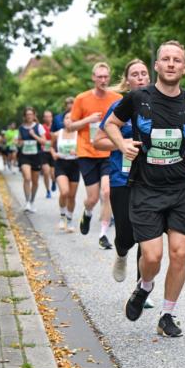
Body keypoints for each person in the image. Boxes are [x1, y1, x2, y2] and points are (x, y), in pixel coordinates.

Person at [104, 41, 185, 338]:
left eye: (176, 60)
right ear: (156, 66)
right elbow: (111, 125)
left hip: (181, 189)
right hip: (145, 187)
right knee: (152, 257)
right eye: (165, 59)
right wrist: (122, 143)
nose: (170, 63)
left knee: (179, 253)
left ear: (183, 67)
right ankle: (144, 286)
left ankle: (167, 314)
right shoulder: (138, 98)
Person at [94, 59, 155, 309]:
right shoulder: (118, 108)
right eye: (135, 74)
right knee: (127, 234)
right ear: (127, 80)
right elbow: (98, 141)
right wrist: (123, 143)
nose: (140, 78)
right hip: (121, 177)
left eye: (144, 74)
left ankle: (143, 287)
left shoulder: (157, 106)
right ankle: (121, 252)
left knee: (147, 235)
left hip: (150, 179)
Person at [71, 63, 121, 249]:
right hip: (87, 152)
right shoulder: (81, 99)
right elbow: (71, 126)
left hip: (109, 151)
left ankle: (103, 234)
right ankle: (88, 212)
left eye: (106, 77)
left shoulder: (117, 98)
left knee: (107, 192)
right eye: (99, 77)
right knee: (92, 198)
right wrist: (88, 120)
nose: (103, 80)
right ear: (93, 77)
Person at [52, 98, 80, 232]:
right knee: (64, 192)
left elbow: (86, 148)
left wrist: (79, 151)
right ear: (63, 120)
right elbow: (47, 145)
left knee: (72, 196)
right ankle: (62, 217)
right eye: (67, 118)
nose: (69, 120)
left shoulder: (79, 135)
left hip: (74, 165)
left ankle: (69, 220)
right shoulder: (58, 134)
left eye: (72, 118)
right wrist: (53, 153)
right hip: (61, 164)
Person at [16, 107, 49, 213]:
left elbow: (44, 142)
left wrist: (34, 135)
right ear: (24, 116)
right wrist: (18, 142)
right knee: (27, 178)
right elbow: (19, 141)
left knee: (35, 181)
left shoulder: (39, 127)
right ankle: (27, 202)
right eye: (27, 114)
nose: (29, 116)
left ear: (34, 115)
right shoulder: (21, 128)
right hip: (24, 156)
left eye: (31, 114)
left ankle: (32, 201)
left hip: (36, 156)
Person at [40, 110, 56, 197]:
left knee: (53, 174)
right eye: (46, 116)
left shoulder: (55, 126)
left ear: (52, 117)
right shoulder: (41, 127)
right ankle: (48, 191)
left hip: (53, 152)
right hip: (44, 152)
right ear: (43, 118)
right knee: (46, 172)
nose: (47, 118)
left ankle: (54, 181)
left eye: (49, 116)